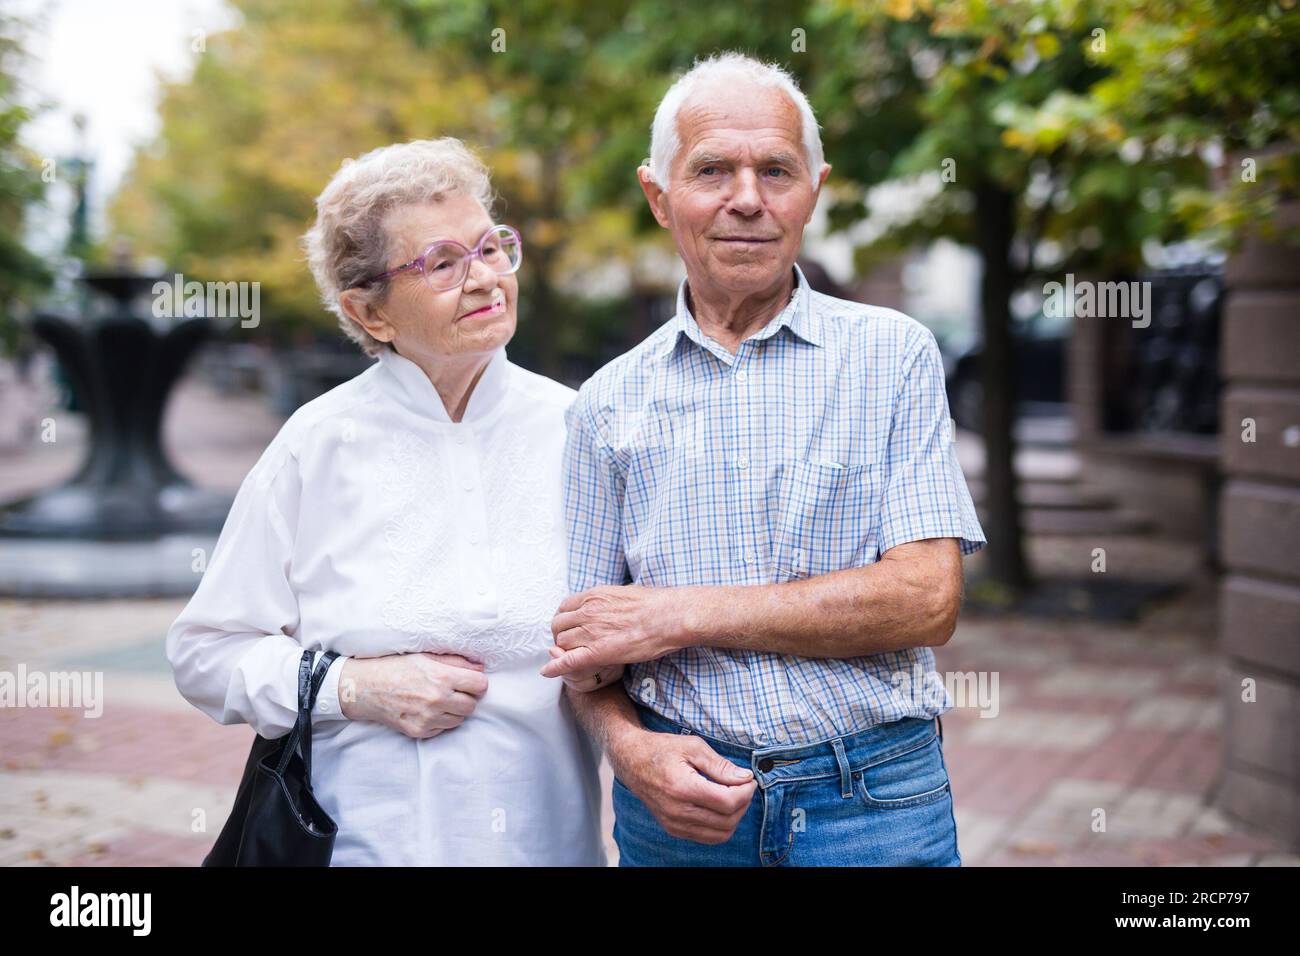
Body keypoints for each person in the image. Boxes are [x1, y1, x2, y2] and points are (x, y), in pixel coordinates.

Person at [545, 53, 987, 866]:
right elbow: (586, 654)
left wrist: (677, 614)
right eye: (712, 169)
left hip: (874, 806)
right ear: (658, 195)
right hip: (680, 810)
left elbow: (926, 601)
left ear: (812, 191)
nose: (746, 199)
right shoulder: (605, 404)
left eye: (775, 171)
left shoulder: (893, 355)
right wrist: (633, 755)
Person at [167, 138, 606, 866]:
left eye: (491, 248)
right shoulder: (318, 445)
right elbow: (205, 654)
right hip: (367, 844)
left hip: (549, 843)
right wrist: (354, 687)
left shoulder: (582, 429)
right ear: (370, 313)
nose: (484, 278)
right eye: (441, 263)